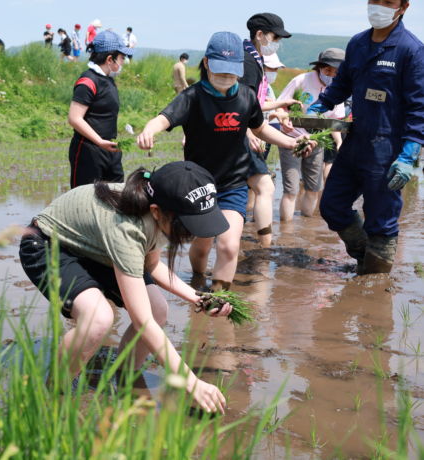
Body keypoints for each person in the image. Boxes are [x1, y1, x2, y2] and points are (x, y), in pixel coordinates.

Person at [19, 161, 233, 413]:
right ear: (156, 211)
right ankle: (52, 394)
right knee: (98, 318)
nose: (191, 235)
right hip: (48, 244)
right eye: (188, 226)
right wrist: (191, 381)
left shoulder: (163, 212)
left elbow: (151, 265)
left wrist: (198, 297)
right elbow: (142, 321)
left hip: (96, 249)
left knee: (158, 310)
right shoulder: (129, 227)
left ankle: (124, 375)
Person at [136, 32, 313, 292]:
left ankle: (219, 299)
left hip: (233, 183)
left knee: (229, 245)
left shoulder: (246, 96)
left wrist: (290, 142)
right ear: (207, 63)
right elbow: (164, 118)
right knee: (202, 245)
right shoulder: (192, 97)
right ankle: (198, 281)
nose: (226, 79)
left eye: (231, 74)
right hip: (200, 186)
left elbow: (261, 128)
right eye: (220, 72)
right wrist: (149, 130)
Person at [308, 0, 424, 274]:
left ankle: (374, 284)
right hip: (356, 140)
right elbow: (342, 84)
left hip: (390, 147)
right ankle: (364, 256)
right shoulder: (358, 43)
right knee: (332, 205)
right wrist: (319, 106)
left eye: (388, 2)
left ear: (403, 7)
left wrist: (409, 154)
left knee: (381, 219)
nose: (378, 7)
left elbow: (419, 108)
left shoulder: (411, 50)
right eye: (374, 0)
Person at [241, 13, 293, 247]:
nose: (277, 42)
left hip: (245, 129)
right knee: (265, 186)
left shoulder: (254, 58)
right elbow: (243, 103)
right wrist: (249, 132)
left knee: (247, 187)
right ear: (260, 35)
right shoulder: (249, 62)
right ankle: (265, 246)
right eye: (275, 37)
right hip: (243, 132)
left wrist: (281, 105)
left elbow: (255, 103)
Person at [276, 49, 346, 221]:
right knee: (291, 189)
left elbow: (335, 122)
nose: (331, 75)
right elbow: (279, 105)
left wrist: (338, 142)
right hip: (291, 139)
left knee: (314, 188)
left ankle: (307, 228)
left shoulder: (338, 89)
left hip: (317, 141)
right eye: (328, 70)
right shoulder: (301, 81)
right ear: (319, 67)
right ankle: (287, 233)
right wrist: (283, 118)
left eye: (336, 72)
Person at [68, 30, 133, 188]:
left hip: (109, 148)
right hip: (88, 151)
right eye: (122, 58)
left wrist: (107, 144)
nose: (123, 62)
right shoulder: (88, 81)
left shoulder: (108, 80)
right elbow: (74, 118)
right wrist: (99, 142)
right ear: (110, 59)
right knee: (86, 201)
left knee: (116, 196)